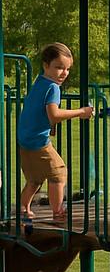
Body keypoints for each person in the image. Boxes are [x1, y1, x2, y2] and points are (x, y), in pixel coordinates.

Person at [17, 42, 93, 225]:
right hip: (38, 141)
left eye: (67, 69)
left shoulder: (39, 82)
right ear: (46, 65)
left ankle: (23, 209)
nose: (64, 73)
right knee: (58, 173)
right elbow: (54, 114)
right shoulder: (53, 88)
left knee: (34, 180)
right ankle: (58, 212)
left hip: (24, 139)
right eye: (59, 67)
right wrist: (81, 112)